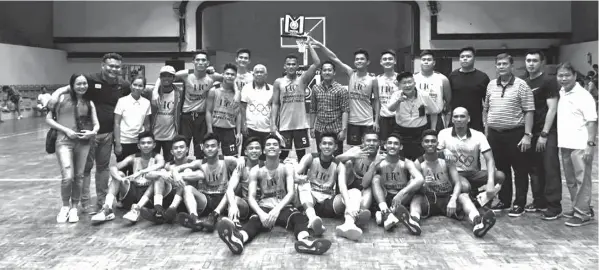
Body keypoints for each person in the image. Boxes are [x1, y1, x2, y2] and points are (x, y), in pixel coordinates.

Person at [215, 135, 332, 255]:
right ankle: (239, 240)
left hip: (282, 206)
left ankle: (305, 242)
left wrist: (276, 210)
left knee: (299, 219)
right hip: (264, 207)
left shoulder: (287, 167)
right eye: (268, 145)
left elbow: (291, 193)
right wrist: (261, 214)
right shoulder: (256, 170)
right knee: (254, 221)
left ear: (280, 150)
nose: (272, 147)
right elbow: (251, 196)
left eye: (275, 144)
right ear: (264, 150)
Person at [50, 53, 132, 215]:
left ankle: (101, 200)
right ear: (103, 65)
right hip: (88, 135)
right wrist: (56, 93)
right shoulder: (90, 79)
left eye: (117, 67)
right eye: (111, 66)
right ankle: (85, 202)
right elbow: (71, 87)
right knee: (85, 170)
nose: (114, 69)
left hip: (108, 134)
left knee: (103, 169)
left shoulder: (123, 85)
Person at [413, 129, 497, 237]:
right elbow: (416, 188)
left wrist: (453, 199)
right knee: (416, 198)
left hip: (447, 197)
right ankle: (414, 221)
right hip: (430, 198)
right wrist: (425, 184)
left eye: (433, 141)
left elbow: (457, 183)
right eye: (427, 141)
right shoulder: (418, 163)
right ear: (422, 144)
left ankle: (478, 223)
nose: (430, 144)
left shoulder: (447, 158)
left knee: (464, 196)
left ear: (437, 144)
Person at [484, 53, 535, 214]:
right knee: (501, 170)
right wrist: (487, 132)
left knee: (520, 170)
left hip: (516, 134)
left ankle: (519, 203)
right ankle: (505, 201)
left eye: (505, 64)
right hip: (495, 135)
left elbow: (529, 111)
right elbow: (486, 109)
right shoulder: (491, 85)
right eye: (499, 64)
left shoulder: (521, 85)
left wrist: (527, 135)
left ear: (511, 66)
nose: (501, 66)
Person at [46, 74, 100, 223]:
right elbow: (49, 119)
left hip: (83, 142)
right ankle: (65, 207)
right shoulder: (61, 99)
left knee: (79, 176)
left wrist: (92, 132)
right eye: (78, 84)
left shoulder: (89, 102)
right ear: (72, 85)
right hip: (64, 141)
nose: (82, 86)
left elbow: (96, 124)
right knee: (67, 176)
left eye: (84, 84)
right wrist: (65, 130)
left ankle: (74, 207)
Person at [312, 41, 380, 146]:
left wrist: (376, 121)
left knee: (368, 149)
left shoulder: (373, 79)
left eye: (362, 59)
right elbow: (334, 58)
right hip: (352, 121)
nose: (359, 61)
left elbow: (376, 100)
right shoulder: (351, 73)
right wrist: (320, 45)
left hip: (368, 121)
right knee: (354, 151)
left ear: (368, 62)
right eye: (357, 59)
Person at [555, 62, 597, 227]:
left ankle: (583, 214)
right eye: (560, 75)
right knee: (571, 180)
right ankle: (579, 207)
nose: (563, 79)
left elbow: (592, 121)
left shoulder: (583, 95)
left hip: (580, 144)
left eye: (567, 75)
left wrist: (590, 144)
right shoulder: (562, 92)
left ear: (574, 76)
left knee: (582, 180)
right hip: (565, 143)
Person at [90, 131, 165, 224]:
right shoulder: (133, 157)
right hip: (134, 193)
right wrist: (120, 178)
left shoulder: (158, 157)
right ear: (138, 146)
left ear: (154, 145)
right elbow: (113, 167)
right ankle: (107, 208)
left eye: (149, 143)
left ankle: (152, 209)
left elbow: (161, 164)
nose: (146, 145)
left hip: (150, 196)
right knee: (120, 174)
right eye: (143, 143)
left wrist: (142, 171)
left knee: (159, 175)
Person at [438, 107, 505, 208]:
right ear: (452, 119)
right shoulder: (444, 133)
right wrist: (444, 151)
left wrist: (490, 182)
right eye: (456, 116)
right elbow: (434, 154)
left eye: (462, 116)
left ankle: (482, 198)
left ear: (468, 119)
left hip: (473, 173)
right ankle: (472, 199)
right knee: (465, 186)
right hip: (454, 173)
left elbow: (489, 159)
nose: (459, 119)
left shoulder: (478, 135)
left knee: (500, 176)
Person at [175, 134, 245, 232]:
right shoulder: (199, 162)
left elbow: (242, 160)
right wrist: (176, 174)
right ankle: (194, 219)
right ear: (202, 147)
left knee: (230, 188)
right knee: (187, 189)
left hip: (223, 198)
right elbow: (178, 168)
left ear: (219, 146)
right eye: (207, 146)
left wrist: (241, 159)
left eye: (213, 146)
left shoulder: (226, 160)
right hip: (206, 199)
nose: (210, 149)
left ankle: (215, 216)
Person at [522, 51, 562, 219]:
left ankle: (554, 206)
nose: (531, 63)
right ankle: (540, 201)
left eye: (535, 60)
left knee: (550, 168)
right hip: (531, 131)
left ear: (542, 62)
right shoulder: (523, 82)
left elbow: (552, 108)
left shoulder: (549, 81)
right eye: (528, 60)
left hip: (547, 132)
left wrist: (544, 134)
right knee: (535, 169)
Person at [271, 39, 321, 162]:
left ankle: (302, 178)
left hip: (301, 125)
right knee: (282, 155)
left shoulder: (303, 79)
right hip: (284, 125)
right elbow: (275, 104)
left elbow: (317, 63)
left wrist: (309, 44)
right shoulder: (278, 82)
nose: (291, 66)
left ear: (297, 66)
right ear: (284, 66)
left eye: (294, 64)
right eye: (289, 64)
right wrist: (273, 123)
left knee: (302, 156)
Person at [371, 133, 424, 234]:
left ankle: (386, 215)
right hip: (385, 197)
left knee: (414, 182)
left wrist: (402, 193)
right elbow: (365, 183)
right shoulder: (380, 162)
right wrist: (373, 164)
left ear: (401, 147)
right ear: (385, 146)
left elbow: (420, 179)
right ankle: (387, 212)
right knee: (375, 178)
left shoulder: (406, 162)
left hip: (401, 198)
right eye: (389, 143)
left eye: (396, 144)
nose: (392, 146)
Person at [140, 135, 197, 224]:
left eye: (182, 147)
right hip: (170, 199)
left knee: (186, 172)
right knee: (160, 174)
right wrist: (162, 173)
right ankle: (159, 209)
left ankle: (170, 210)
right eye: (176, 148)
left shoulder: (193, 163)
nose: (179, 150)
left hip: (187, 201)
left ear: (187, 149)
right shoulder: (168, 165)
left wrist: (175, 175)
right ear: (172, 152)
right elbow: (147, 175)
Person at [387, 72, 440, 160]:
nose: (407, 85)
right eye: (404, 83)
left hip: (420, 131)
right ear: (399, 85)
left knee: (420, 159)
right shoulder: (396, 95)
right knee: (402, 159)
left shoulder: (424, 95)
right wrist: (398, 101)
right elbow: (391, 109)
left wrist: (433, 129)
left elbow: (434, 112)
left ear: (414, 83)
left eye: (410, 82)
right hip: (402, 131)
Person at [309, 60, 350, 156]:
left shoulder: (341, 89)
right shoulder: (315, 88)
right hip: (320, 128)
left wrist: (343, 130)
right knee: (321, 155)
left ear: (334, 72)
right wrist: (311, 128)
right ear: (321, 72)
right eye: (324, 70)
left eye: (329, 70)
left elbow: (345, 110)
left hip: (336, 129)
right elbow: (312, 109)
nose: (327, 72)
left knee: (337, 156)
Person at [114, 76, 152, 175]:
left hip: (137, 143)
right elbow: (117, 123)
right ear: (131, 86)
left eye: (140, 85)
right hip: (123, 141)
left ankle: (132, 190)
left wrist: (144, 141)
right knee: (121, 171)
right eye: (135, 84)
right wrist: (117, 144)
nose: (137, 87)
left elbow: (147, 124)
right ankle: (119, 190)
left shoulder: (146, 103)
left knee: (134, 171)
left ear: (144, 88)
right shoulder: (122, 101)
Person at [448, 47, 490, 132]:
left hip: (476, 120)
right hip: (457, 118)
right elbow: (448, 99)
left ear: (474, 59)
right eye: (462, 57)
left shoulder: (482, 77)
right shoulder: (452, 76)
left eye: (468, 56)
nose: (465, 58)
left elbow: (488, 102)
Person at [206, 63, 242, 157]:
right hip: (215, 127)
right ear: (223, 75)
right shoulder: (214, 90)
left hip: (229, 129)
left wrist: (238, 132)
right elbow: (208, 111)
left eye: (232, 74)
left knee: (231, 158)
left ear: (235, 77)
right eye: (227, 74)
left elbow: (238, 114)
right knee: (211, 156)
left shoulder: (237, 93)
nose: (230, 76)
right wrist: (210, 129)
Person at [240, 64, 273, 159]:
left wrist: (273, 125)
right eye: (257, 72)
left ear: (266, 75)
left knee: (263, 157)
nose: (259, 74)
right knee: (247, 156)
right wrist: (244, 124)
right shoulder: (246, 88)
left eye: (261, 72)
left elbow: (274, 108)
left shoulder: (272, 89)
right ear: (253, 75)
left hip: (266, 129)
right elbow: (242, 107)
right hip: (250, 128)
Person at [150, 66, 182, 162]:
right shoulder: (152, 93)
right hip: (154, 135)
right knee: (153, 163)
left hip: (170, 136)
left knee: (170, 163)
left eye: (169, 76)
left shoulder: (179, 93)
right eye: (163, 76)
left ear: (174, 78)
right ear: (160, 78)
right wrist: (155, 90)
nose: (166, 78)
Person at [414, 50, 451, 131]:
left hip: (436, 117)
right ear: (420, 62)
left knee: (436, 142)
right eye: (423, 60)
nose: (426, 62)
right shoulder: (413, 78)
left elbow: (448, 102)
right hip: (417, 117)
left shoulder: (442, 79)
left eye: (429, 60)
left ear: (434, 63)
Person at [377, 50, 400, 150]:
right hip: (384, 118)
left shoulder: (401, 78)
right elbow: (376, 101)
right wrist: (376, 121)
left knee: (398, 144)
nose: (387, 61)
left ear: (395, 61)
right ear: (381, 62)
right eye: (385, 59)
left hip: (399, 118)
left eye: (390, 59)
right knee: (384, 146)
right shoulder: (377, 79)